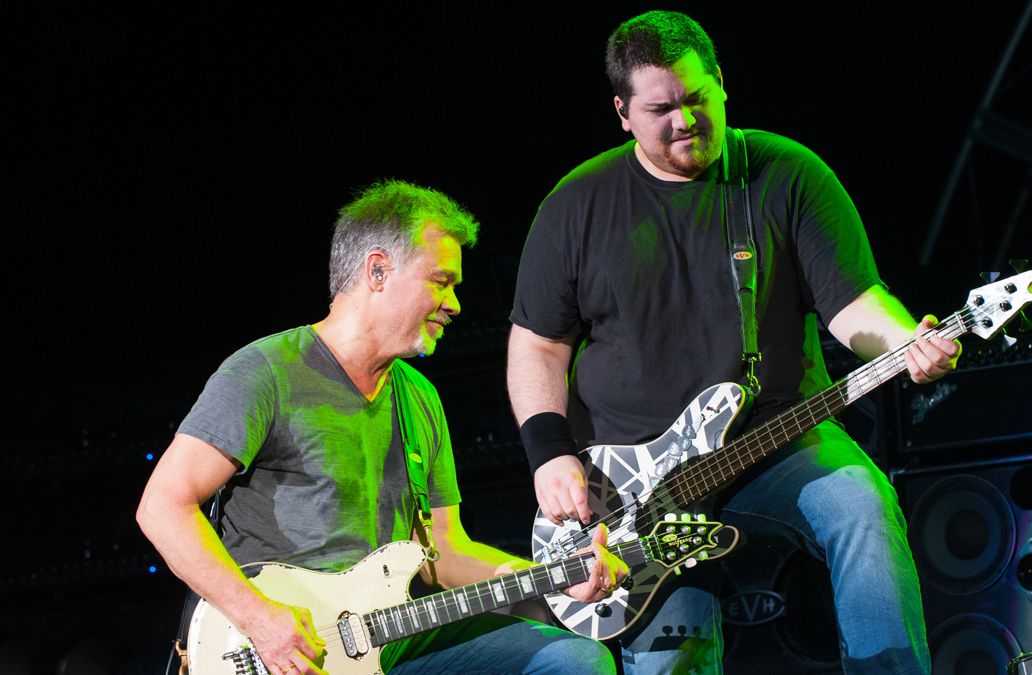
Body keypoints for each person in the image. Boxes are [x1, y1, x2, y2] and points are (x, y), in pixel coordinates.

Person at [507, 11, 959, 674]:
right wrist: (550, 455)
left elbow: (853, 303)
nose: (686, 120)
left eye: (698, 98)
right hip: (638, 487)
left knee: (862, 505)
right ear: (623, 112)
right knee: (674, 660)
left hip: (775, 439)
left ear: (721, 83)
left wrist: (904, 341)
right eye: (662, 108)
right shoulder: (576, 205)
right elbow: (538, 345)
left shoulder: (785, 173)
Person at [137, 179, 627, 675]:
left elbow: (445, 552)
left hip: (390, 640)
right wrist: (259, 618)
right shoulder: (265, 373)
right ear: (378, 270)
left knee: (573, 661)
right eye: (441, 281)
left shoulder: (418, 397)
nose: (455, 304)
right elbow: (162, 506)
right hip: (276, 650)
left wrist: (554, 576)